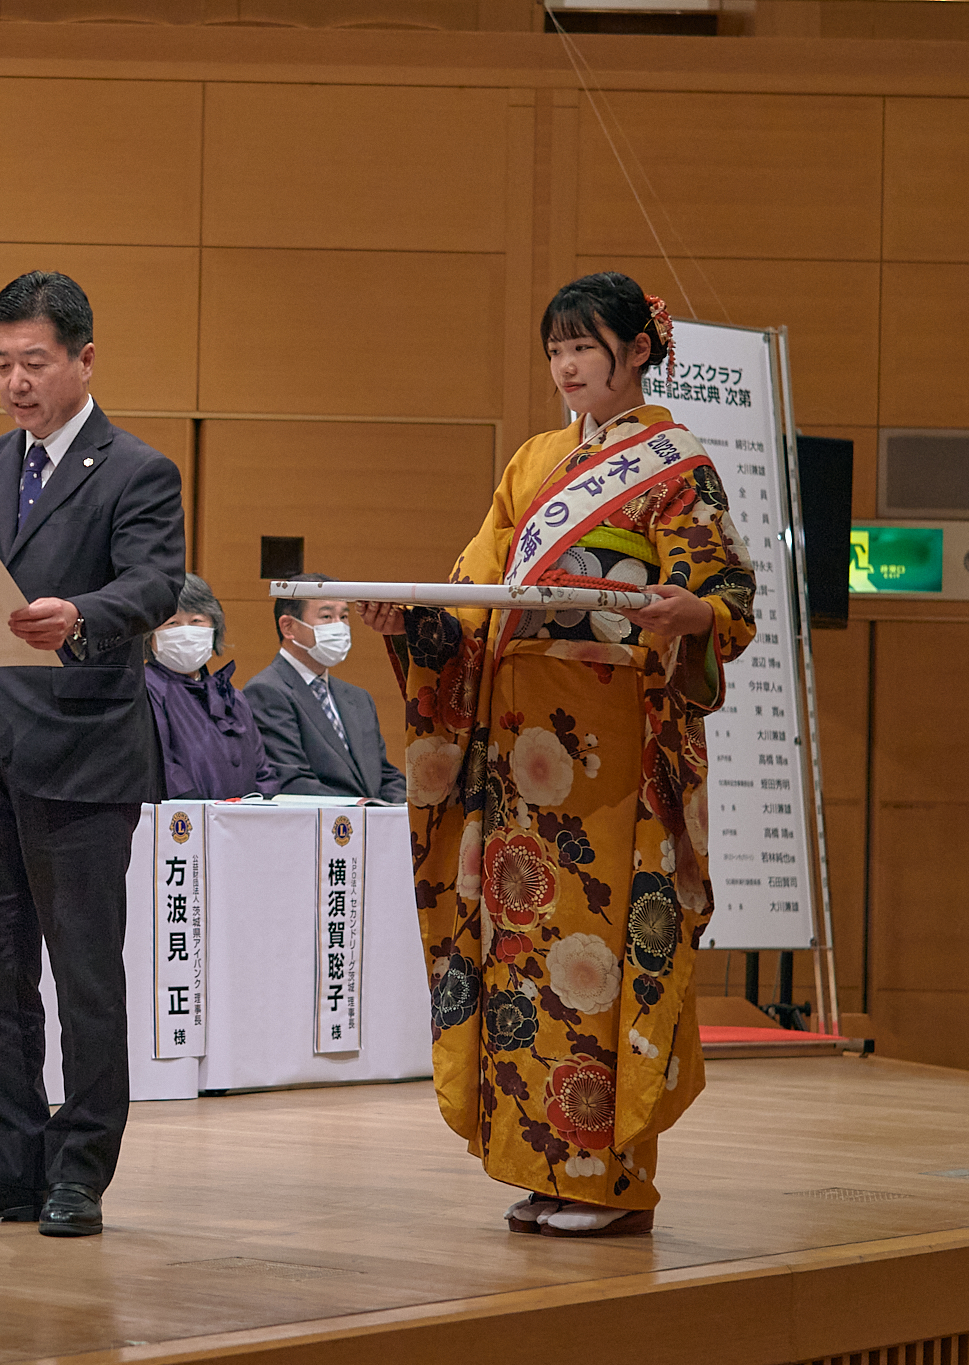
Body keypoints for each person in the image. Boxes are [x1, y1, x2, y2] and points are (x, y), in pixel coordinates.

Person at [362, 271, 755, 1237]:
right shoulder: (534, 460)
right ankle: (542, 1165)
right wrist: (414, 620)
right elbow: (475, 590)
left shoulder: (678, 466)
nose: (567, 366)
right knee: (523, 950)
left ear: (637, 349)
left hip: (611, 750)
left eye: (584, 346)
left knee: (598, 950)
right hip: (516, 747)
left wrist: (692, 613)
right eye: (555, 350)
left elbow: (726, 600)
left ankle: (609, 1179)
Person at [0, 271, 183, 1239]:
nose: (15, 382)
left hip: (81, 750)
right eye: (0, 364)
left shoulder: (136, 470)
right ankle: (8, 1161)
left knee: (83, 973)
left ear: (83, 359)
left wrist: (84, 615)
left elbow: (155, 581)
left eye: (33, 362)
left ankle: (79, 1170)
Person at [244, 575, 405, 802]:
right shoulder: (266, 691)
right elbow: (291, 780)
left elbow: (384, 774)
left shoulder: (359, 697)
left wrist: (399, 806)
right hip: (317, 820)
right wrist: (361, 808)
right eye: (327, 616)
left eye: (344, 617)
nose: (339, 626)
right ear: (288, 627)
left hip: (370, 820)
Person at [144, 573, 278, 800]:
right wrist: (210, 814)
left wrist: (261, 807)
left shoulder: (231, 695)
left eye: (197, 621)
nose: (186, 632)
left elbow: (262, 771)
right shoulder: (146, 690)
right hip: (185, 819)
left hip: (245, 818)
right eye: (172, 623)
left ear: (214, 627)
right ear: (150, 635)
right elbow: (162, 770)